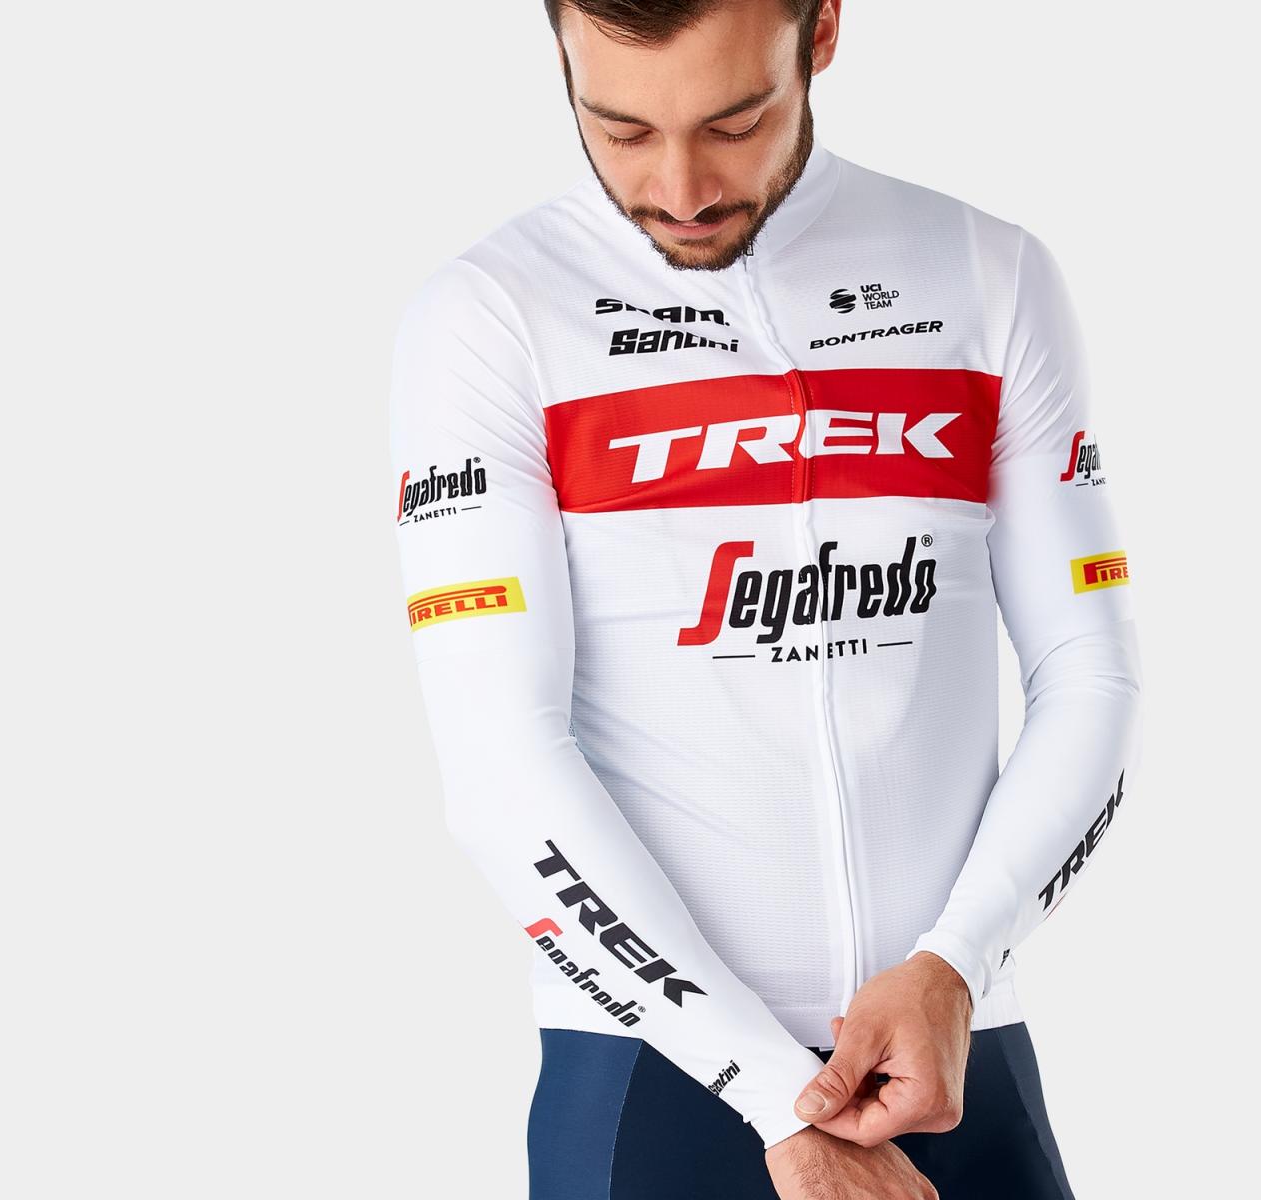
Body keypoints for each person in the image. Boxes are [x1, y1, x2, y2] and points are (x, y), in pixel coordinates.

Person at [387, 1, 1143, 1195]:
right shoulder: (492, 316)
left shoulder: (984, 274)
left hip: (959, 1056)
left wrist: (954, 965)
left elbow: (1089, 674)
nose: (680, 189)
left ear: (821, 30)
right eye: (620, 129)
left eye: (734, 124)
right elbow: (499, 768)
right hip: (656, 1081)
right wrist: (769, 1098)